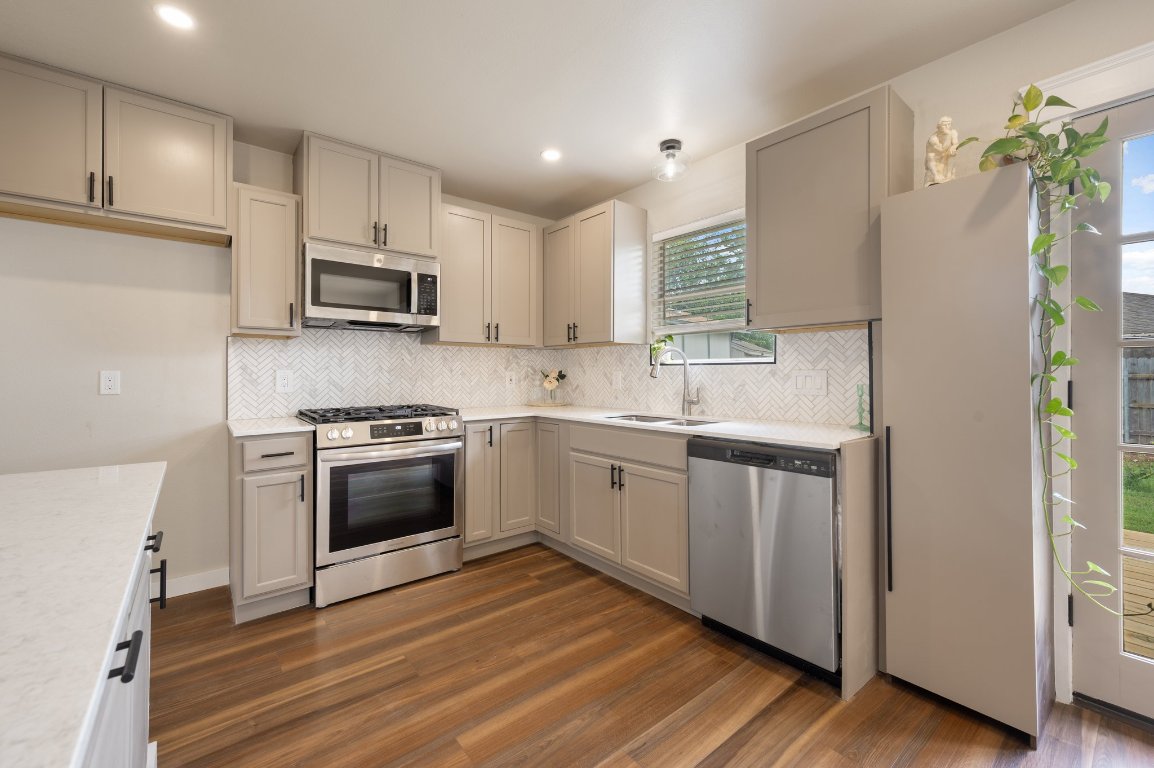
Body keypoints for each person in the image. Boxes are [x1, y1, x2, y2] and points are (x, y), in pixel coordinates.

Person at [924, 116, 959, 186]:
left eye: (949, 124)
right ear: (939, 126)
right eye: (944, 125)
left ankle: (949, 175)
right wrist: (948, 136)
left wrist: (953, 147)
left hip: (945, 156)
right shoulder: (933, 138)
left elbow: (956, 143)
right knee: (930, 156)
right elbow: (941, 149)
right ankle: (936, 176)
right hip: (935, 158)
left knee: (953, 153)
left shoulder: (953, 133)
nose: (947, 126)